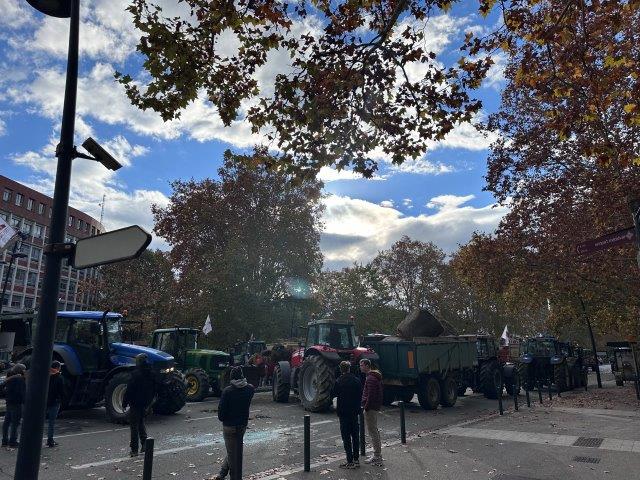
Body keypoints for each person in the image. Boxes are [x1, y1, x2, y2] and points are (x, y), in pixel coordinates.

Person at [213, 366, 255, 480]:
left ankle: (234, 477)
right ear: (242, 376)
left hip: (229, 426)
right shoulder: (250, 389)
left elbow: (221, 415)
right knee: (233, 451)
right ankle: (222, 473)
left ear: (232, 378)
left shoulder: (227, 391)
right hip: (242, 425)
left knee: (232, 453)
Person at [123, 353, 156, 457]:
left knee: (134, 426)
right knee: (141, 422)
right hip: (146, 403)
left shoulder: (136, 374)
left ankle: (134, 449)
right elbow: (155, 388)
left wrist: (124, 402)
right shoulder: (151, 373)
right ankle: (145, 444)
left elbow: (129, 390)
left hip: (135, 403)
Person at [331, 361, 362, 469]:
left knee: (346, 437)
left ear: (341, 369)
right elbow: (360, 395)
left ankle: (349, 460)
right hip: (354, 412)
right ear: (349, 368)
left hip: (343, 413)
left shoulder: (339, 381)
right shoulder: (357, 381)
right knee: (355, 436)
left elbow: (333, 395)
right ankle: (356, 459)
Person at [360, 358, 383, 465]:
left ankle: (377, 455)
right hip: (373, 407)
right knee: (374, 430)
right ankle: (377, 453)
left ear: (367, 366)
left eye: (362, 365)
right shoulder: (373, 377)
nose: (360, 367)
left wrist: (366, 407)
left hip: (371, 408)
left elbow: (371, 395)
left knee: (372, 431)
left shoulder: (370, 378)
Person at [2, 364, 26, 448]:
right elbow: (21, 392)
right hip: (17, 403)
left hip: (9, 402)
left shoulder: (10, 378)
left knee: (7, 422)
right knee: (15, 423)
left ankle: (4, 441)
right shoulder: (20, 379)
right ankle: (13, 441)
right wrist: (25, 401)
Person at [46, 360, 65, 447]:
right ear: (57, 367)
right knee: (51, 422)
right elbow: (61, 391)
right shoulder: (59, 377)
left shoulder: (46, 376)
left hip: (45, 401)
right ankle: (50, 440)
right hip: (54, 402)